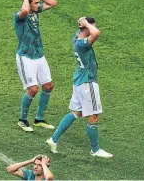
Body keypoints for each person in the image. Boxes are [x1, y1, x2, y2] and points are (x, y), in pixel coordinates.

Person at [46, 17, 113, 158]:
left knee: (77, 112)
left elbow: (88, 32)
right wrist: (88, 25)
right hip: (87, 82)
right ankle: (95, 149)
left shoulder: (76, 37)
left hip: (79, 81)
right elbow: (96, 33)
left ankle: (53, 139)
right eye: (91, 27)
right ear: (86, 29)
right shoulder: (82, 44)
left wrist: (84, 24)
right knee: (93, 116)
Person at [14, 0, 58, 132]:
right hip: (25, 56)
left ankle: (39, 119)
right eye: (36, 3)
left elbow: (53, 3)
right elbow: (25, 11)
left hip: (39, 55)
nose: (39, 4)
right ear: (28, 3)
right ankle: (22, 120)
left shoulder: (35, 11)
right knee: (32, 89)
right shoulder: (20, 15)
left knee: (48, 86)